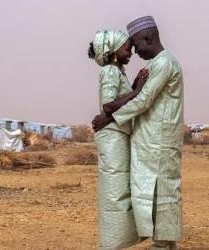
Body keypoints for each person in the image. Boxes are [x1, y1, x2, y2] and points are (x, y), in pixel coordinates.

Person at [92, 16, 184, 250]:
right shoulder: (152, 65)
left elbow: (143, 99)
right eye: (129, 47)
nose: (134, 51)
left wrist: (110, 116)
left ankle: (163, 244)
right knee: (150, 194)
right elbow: (131, 95)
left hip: (161, 141)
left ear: (149, 38)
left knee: (164, 192)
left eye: (136, 45)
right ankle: (162, 242)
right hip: (148, 141)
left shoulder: (165, 63)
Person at [88, 29, 148, 249]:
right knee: (115, 193)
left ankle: (119, 242)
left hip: (117, 134)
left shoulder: (117, 71)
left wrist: (132, 87)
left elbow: (113, 105)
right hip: (112, 137)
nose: (130, 52)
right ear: (113, 51)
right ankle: (113, 244)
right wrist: (139, 90)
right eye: (126, 48)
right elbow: (109, 105)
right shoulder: (110, 71)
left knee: (120, 190)